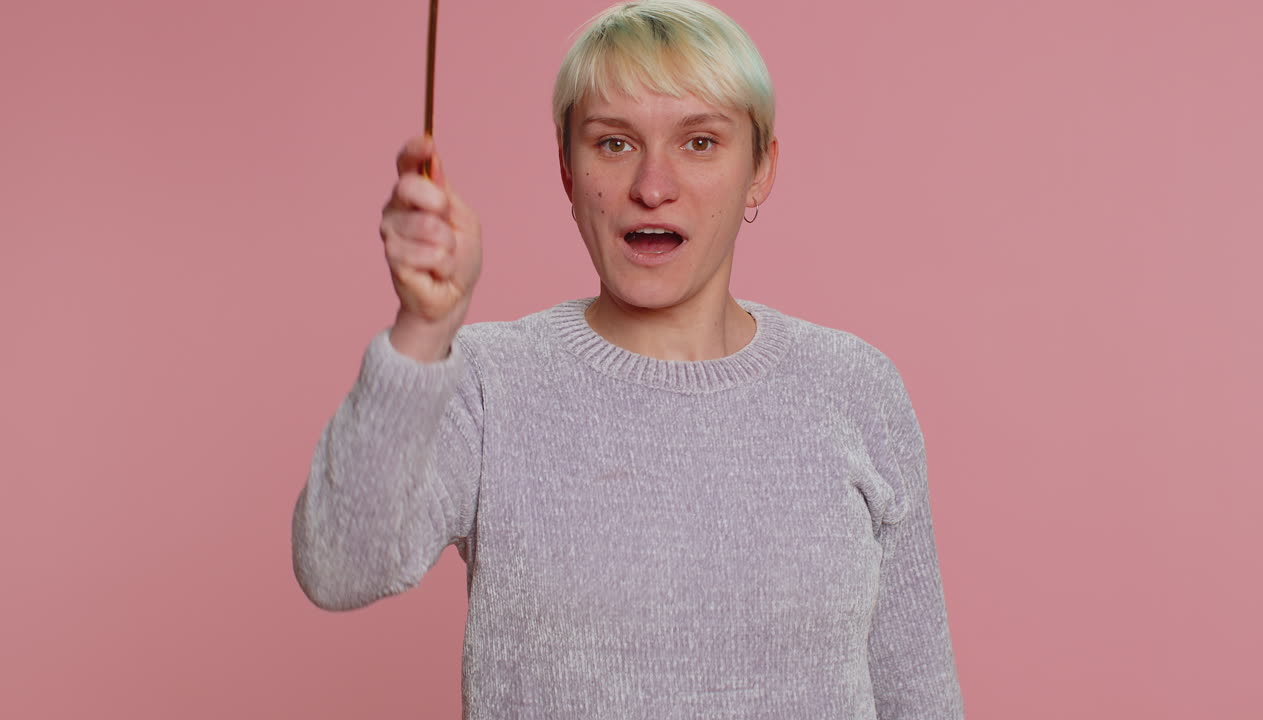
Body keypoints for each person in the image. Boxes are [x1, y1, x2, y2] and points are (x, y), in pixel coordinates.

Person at [291, 1, 964, 717]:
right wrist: (424, 331)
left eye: (700, 142)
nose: (652, 184)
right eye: (613, 144)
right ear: (567, 170)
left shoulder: (853, 386)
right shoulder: (487, 382)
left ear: (761, 168)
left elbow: (917, 692)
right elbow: (338, 566)